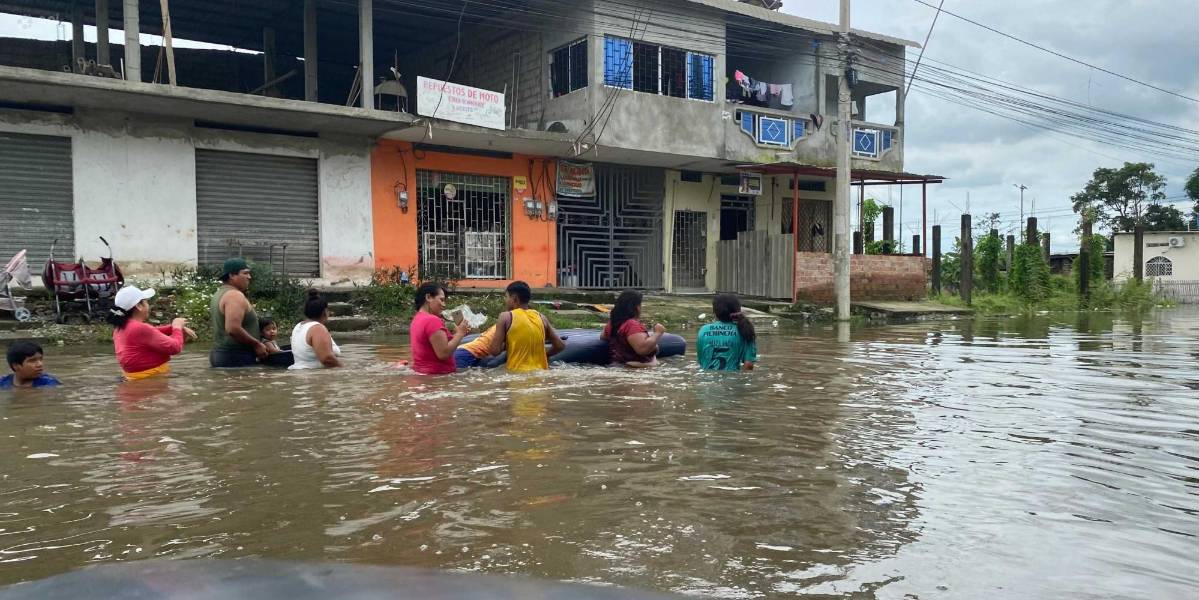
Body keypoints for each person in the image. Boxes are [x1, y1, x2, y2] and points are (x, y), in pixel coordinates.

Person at [107, 285, 197, 380]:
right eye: (146, 302)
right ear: (139, 306)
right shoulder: (139, 328)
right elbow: (175, 348)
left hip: (133, 378)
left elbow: (153, 332)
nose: (148, 305)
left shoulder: (121, 327)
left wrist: (173, 327)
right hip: (150, 379)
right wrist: (177, 327)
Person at [488, 281, 565, 372]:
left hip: (516, 374)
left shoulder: (506, 317)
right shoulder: (541, 317)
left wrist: (507, 345)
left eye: (506, 297)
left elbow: (494, 351)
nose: (505, 300)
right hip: (540, 374)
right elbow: (560, 345)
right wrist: (546, 354)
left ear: (515, 299)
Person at [209, 258, 268, 368]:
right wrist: (256, 344)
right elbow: (233, 328)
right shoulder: (234, 295)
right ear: (231, 275)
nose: (249, 277)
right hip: (236, 356)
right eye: (245, 273)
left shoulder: (219, 294)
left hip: (223, 355)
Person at [409, 282, 470, 375]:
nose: (444, 305)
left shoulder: (417, 319)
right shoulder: (432, 320)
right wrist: (460, 334)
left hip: (423, 375)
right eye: (441, 300)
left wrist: (458, 333)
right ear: (428, 297)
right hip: (438, 377)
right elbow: (443, 354)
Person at [601, 290, 666, 367]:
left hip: (616, 364)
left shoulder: (612, 324)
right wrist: (658, 333)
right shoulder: (632, 324)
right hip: (635, 368)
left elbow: (603, 337)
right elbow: (642, 349)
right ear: (637, 307)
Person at [696, 293, 758, 372]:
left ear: (715, 312)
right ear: (738, 310)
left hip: (706, 378)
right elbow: (748, 365)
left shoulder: (703, 330)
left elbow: (701, 360)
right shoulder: (745, 331)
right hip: (732, 379)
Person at [289, 289, 342, 370]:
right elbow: (327, 358)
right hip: (315, 374)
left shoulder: (298, 326)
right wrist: (344, 369)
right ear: (325, 311)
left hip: (299, 372)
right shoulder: (318, 328)